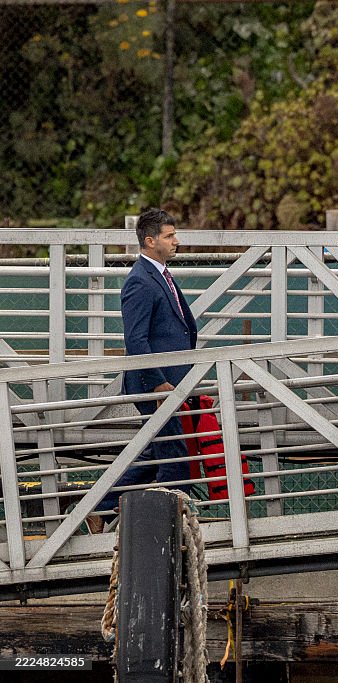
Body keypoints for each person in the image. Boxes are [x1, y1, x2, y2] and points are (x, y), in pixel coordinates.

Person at [89, 208, 198, 532]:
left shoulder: (161, 273)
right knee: (173, 456)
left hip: (170, 382)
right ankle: (174, 524)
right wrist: (157, 383)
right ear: (150, 241)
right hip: (156, 385)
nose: (176, 241)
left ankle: (102, 507)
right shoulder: (140, 280)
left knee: (156, 450)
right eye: (169, 236)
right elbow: (135, 339)